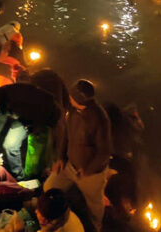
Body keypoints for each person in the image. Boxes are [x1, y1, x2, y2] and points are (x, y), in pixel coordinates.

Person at [42, 79, 112, 231]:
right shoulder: (72, 111)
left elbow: (104, 151)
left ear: (78, 99)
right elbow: (67, 136)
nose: (69, 97)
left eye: (71, 96)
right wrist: (61, 158)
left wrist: (88, 170)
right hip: (69, 167)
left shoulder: (99, 119)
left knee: (94, 205)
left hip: (90, 173)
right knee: (49, 187)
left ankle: (96, 227)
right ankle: (59, 215)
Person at [0, 82, 64, 180]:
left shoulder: (17, 97)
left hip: (45, 116)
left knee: (36, 153)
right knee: (10, 145)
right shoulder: (0, 99)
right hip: (24, 118)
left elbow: (42, 107)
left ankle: (34, 178)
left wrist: (35, 129)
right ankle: (19, 177)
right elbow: (0, 119)